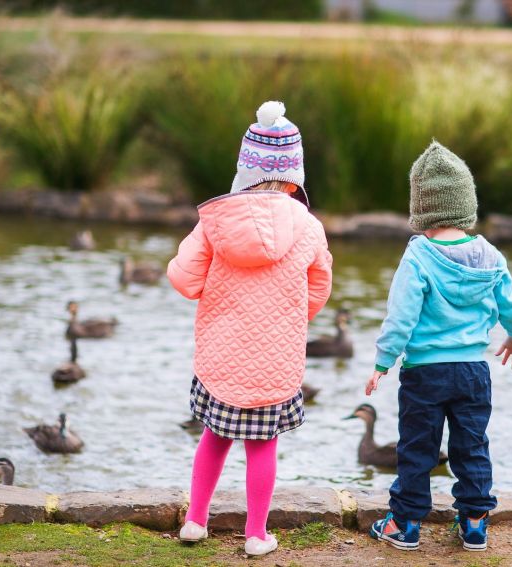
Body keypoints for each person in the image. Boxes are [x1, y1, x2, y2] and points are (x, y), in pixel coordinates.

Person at [167, 101, 333, 557]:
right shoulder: (310, 227)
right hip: (275, 361)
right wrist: (289, 318)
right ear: (294, 173)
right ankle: (257, 535)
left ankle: (195, 521)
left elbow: (184, 280)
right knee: (263, 447)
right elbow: (318, 291)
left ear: (244, 168)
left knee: (214, 436)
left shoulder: (215, 222)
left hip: (220, 356)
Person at [366, 141, 512, 552]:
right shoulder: (490, 254)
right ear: (466, 205)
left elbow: (400, 316)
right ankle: (474, 521)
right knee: (471, 444)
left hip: (425, 372)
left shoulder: (419, 255)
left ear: (421, 209)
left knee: (417, 447)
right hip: (474, 371)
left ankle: (404, 524)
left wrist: (383, 362)